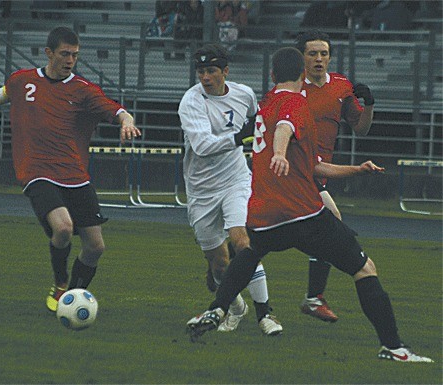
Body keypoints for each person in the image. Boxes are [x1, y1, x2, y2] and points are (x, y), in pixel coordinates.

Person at [186, 46, 434, 363]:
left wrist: (356, 169)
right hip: (302, 212)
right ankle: (394, 347)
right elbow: (286, 129)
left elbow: (314, 165)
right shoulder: (294, 102)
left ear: (272, 75)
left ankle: (216, 309)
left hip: (266, 213)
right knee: (364, 268)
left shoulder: (265, 106)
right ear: (303, 74)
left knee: (250, 252)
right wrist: (278, 152)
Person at [0, 26, 141, 312]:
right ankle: (60, 285)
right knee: (62, 228)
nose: (70, 59)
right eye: (64, 54)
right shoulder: (21, 81)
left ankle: (73, 297)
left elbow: (118, 110)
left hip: (75, 175)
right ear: (48, 53)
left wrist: (126, 121)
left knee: (95, 247)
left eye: (74, 54)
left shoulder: (84, 90)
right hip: (36, 171)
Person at [178, 43, 282, 336]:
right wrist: (239, 138)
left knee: (244, 242)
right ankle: (235, 308)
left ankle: (265, 314)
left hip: (236, 179)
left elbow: (258, 125)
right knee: (220, 266)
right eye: (201, 71)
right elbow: (202, 146)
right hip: (200, 190)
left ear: (225, 71)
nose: (205, 77)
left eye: (211, 70)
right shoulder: (191, 102)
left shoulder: (244, 94)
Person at [295, 29, 375, 323]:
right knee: (331, 223)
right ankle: (314, 297)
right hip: (296, 170)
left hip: (319, 172)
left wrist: (369, 105)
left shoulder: (341, 86)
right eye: (312, 53)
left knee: (264, 231)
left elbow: (361, 128)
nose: (318, 59)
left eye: (323, 53)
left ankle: (225, 263)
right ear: (301, 57)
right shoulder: (291, 87)